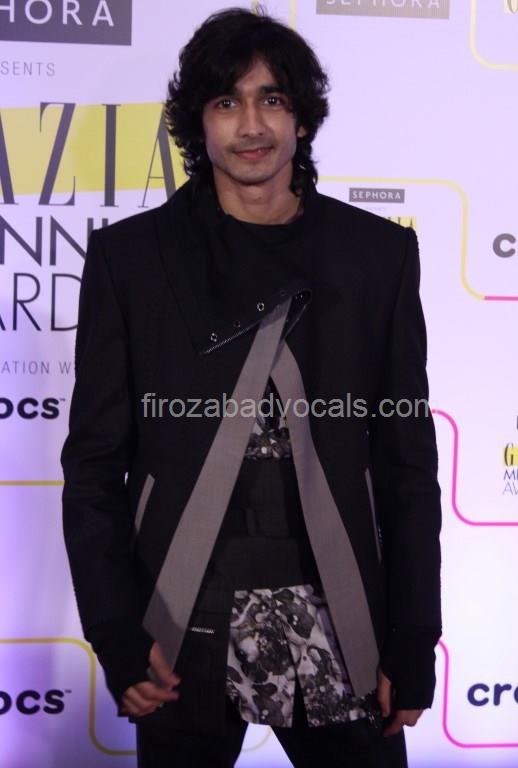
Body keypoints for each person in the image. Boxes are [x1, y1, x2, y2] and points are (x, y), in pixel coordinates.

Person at [61, 6, 442, 767]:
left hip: (345, 619)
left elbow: (407, 464)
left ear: (301, 117)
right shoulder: (131, 261)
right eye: (226, 101)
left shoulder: (376, 257)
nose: (251, 124)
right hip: (178, 626)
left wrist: (412, 637)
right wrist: (116, 634)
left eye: (272, 98)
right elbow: (95, 468)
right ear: (197, 123)